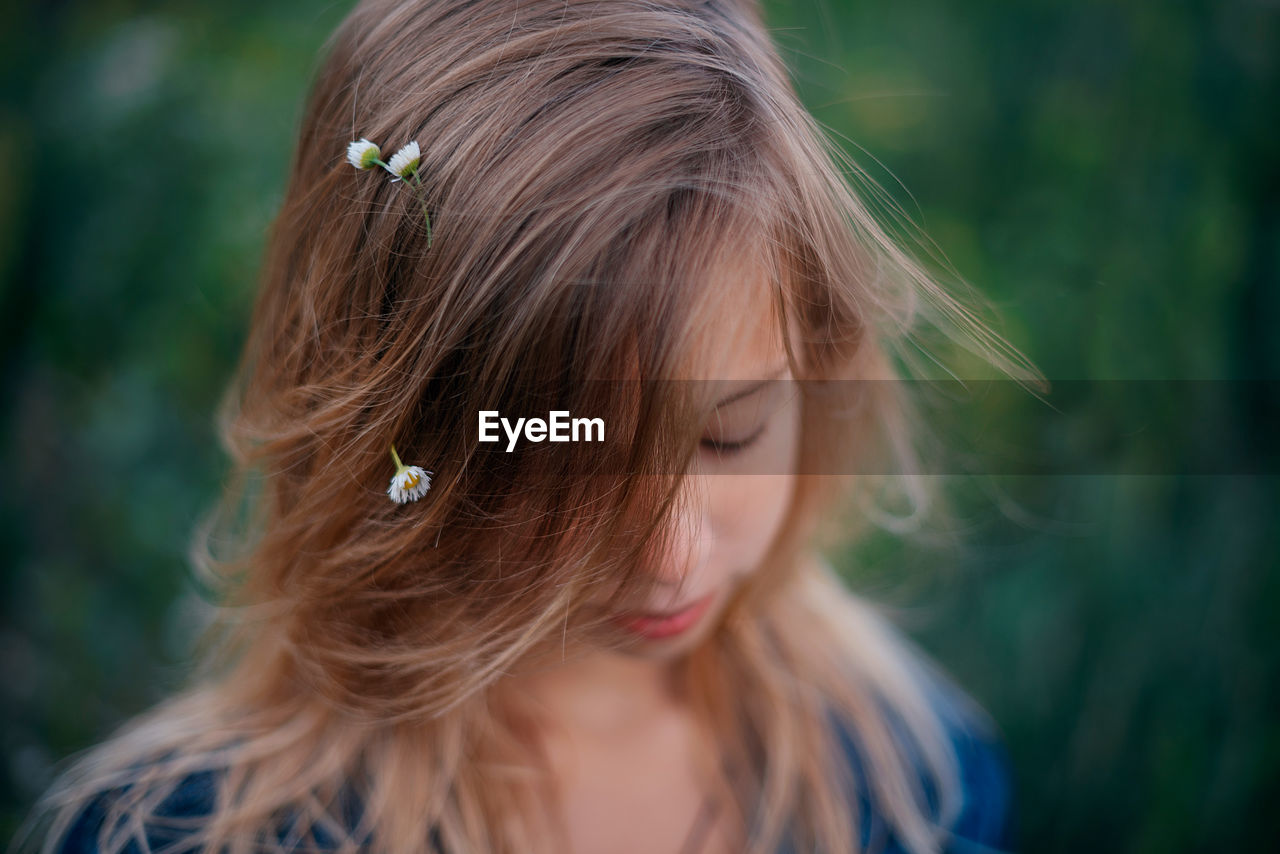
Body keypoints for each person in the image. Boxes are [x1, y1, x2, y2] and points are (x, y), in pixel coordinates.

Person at [18, 1, 1040, 852]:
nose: (671, 558)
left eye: (729, 431)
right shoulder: (179, 831)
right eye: (562, 451)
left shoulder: (911, 780)